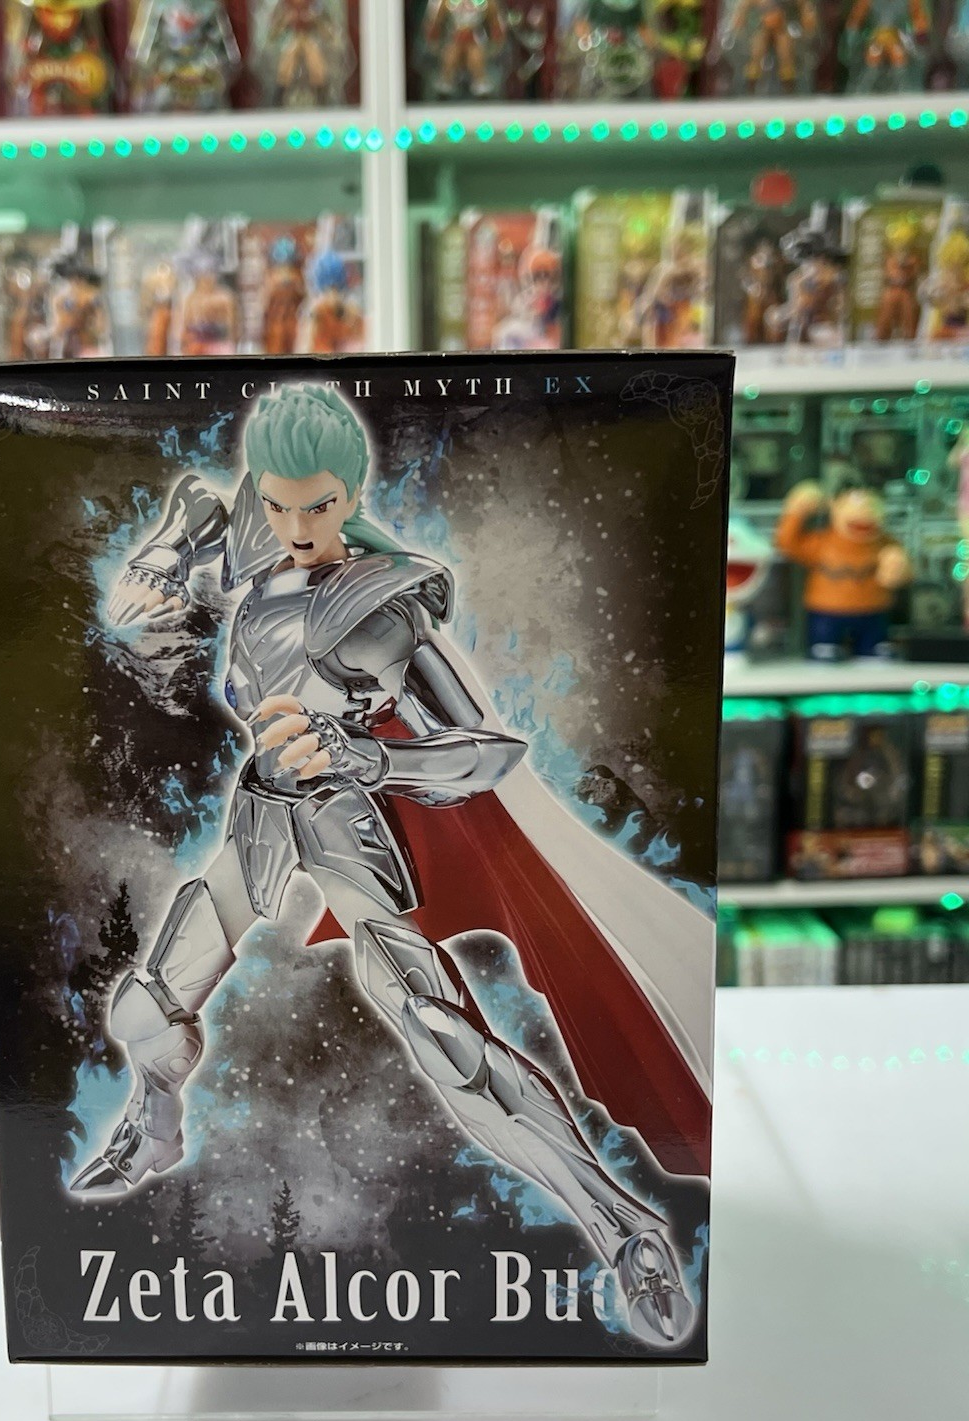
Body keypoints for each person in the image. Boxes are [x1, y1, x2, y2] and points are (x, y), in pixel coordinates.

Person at [73, 385, 714, 1349]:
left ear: (351, 493)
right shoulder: (253, 545)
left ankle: (623, 1229)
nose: (295, 526)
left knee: (443, 1034)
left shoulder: (379, 607)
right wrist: (157, 566)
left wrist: (369, 758)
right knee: (144, 1004)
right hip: (260, 813)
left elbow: (488, 751)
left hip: (342, 818)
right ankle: (154, 1124)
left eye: (318, 506)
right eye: (277, 503)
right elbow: (178, 540)